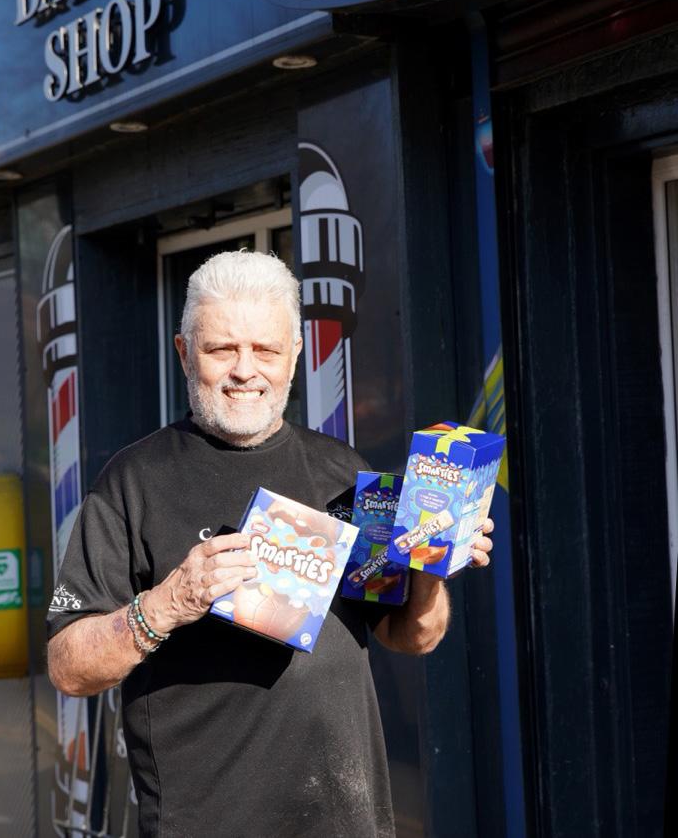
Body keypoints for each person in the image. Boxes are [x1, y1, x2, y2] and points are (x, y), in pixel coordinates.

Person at [47, 250, 494, 838]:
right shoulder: (133, 481)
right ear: (184, 352)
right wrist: (166, 605)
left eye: (265, 350)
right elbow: (67, 666)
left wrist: (430, 568)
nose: (245, 370)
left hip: (347, 821)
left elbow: (410, 635)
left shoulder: (344, 471)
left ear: (295, 355)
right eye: (221, 349)